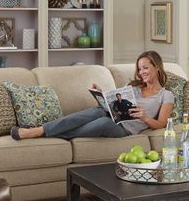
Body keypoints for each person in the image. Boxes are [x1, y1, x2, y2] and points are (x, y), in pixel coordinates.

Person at [11, 50, 175, 140]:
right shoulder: (134, 86)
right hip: (110, 115)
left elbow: (162, 124)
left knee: (103, 122)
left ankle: (37, 132)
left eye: (145, 67)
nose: (142, 72)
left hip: (124, 129)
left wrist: (145, 118)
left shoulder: (166, 95)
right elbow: (114, 100)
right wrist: (102, 94)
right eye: (139, 69)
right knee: (97, 112)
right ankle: (39, 131)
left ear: (157, 67)